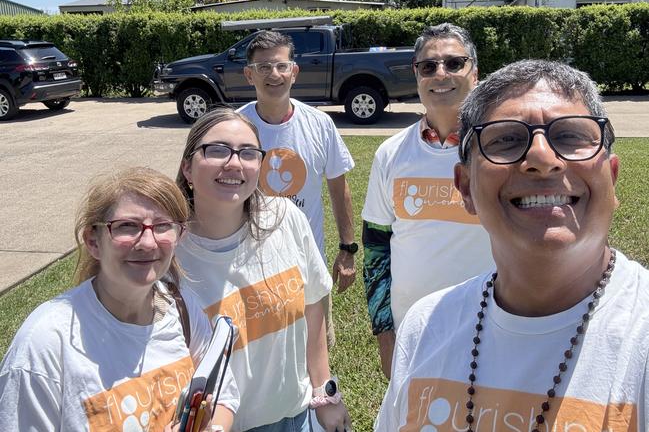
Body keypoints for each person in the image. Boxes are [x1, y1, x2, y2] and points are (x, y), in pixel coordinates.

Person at [375, 59, 649, 431]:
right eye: (506, 139)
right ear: (465, 187)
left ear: (612, 177)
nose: (541, 158)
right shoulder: (425, 327)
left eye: (570, 136)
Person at [0, 167, 238, 431]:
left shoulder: (180, 306)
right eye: (127, 226)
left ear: (179, 235)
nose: (148, 242)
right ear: (93, 240)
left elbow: (222, 396)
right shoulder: (45, 344)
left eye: (162, 226)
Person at [175, 109, 351, 432]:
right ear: (187, 167)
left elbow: (313, 305)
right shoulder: (170, 257)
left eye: (247, 153)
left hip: (298, 418)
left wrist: (324, 391)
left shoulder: (284, 219)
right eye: (217, 150)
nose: (234, 163)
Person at [362, 23, 494, 377]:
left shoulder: (502, 149)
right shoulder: (390, 153)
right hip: (414, 333)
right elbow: (375, 248)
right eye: (428, 66)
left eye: (454, 63)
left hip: (494, 332)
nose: (441, 74)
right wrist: (385, 334)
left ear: (475, 73)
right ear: (417, 76)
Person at [237, 31, 356, 313]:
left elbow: (339, 189)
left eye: (281, 65)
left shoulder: (320, 124)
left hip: (307, 263)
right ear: (248, 75)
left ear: (294, 72)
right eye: (263, 67)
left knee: (316, 351)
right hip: (249, 264)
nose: (274, 74)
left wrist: (347, 249)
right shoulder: (236, 127)